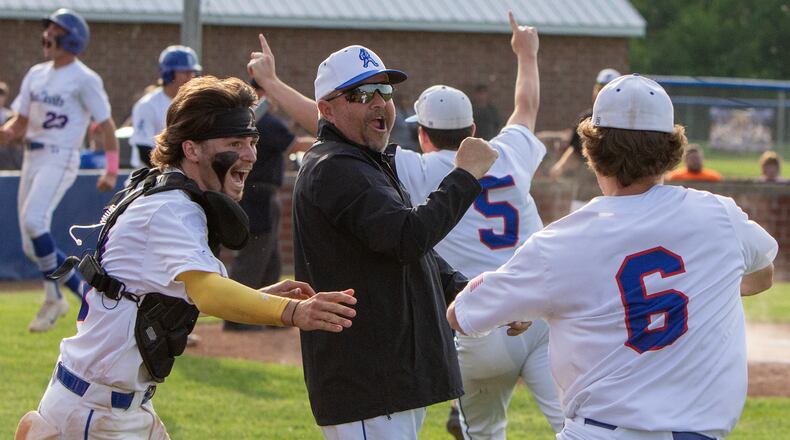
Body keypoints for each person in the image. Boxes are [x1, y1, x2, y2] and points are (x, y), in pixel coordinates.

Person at [14, 75, 357, 440]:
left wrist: (266, 297)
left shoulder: (169, 195)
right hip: (96, 415)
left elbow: (174, 298)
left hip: (107, 406)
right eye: (235, 142)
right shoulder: (172, 209)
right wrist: (292, 312)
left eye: (252, 141)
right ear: (191, 149)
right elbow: (207, 292)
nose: (250, 154)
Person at [448, 74, 778, 440]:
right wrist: (706, 288)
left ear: (592, 150)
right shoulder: (719, 215)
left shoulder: (560, 241)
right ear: (672, 147)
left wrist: (526, 304)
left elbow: (462, 314)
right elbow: (763, 272)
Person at [246, 35, 503, 438]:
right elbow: (407, 238)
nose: (380, 101)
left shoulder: (364, 161)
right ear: (326, 110)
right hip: (367, 381)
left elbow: (415, 254)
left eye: (385, 89)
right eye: (363, 93)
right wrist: (464, 176)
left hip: (388, 379)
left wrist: (487, 298)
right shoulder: (336, 167)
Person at [395, 13, 562, 439]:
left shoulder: (417, 166)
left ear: (423, 134)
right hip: (542, 312)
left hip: (481, 316)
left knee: (484, 434)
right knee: (578, 426)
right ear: (472, 128)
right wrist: (527, 54)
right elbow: (526, 107)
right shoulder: (505, 154)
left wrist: (278, 87)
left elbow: (341, 138)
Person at [0, 8, 120, 332]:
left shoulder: (84, 78)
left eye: (54, 30)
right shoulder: (36, 73)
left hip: (60, 156)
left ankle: (70, 294)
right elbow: (20, 123)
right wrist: (7, 131)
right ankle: (62, 294)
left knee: (33, 221)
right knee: (29, 243)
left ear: (71, 38)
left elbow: (107, 125)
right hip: (32, 156)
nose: (47, 36)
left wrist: (110, 168)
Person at [223, 77, 299, 332]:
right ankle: (237, 317)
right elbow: (293, 144)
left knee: (271, 257)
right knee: (254, 254)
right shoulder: (259, 117)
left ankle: (271, 315)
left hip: (259, 192)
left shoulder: (251, 118)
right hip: (257, 194)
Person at [550, 68, 620, 211]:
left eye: (607, 90)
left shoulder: (629, 122)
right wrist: (560, 166)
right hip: (586, 192)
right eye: (600, 88)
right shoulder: (587, 119)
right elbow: (576, 150)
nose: (601, 94)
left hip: (618, 195)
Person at [129, 45, 201, 168]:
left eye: (192, 72)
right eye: (184, 72)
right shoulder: (147, 105)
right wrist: (171, 172)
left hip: (184, 177)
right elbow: (143, 150)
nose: (190, 77)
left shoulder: (196, 104)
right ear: (169, 74)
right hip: (149, 178)